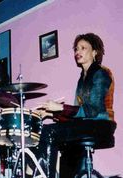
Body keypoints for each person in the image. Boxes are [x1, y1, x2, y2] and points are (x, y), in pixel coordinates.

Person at [33, 33, 116, 177]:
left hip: (102, 125)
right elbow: (77, 115)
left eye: (83, 48)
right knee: (49, 134)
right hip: (88, 124)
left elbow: (94, 111)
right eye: (76, 49)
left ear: (95, 52)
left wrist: (61, 108)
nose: (78, 52)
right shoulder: (82, 79)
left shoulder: (101, 74)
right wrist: (52, 114)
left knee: (49, 132)